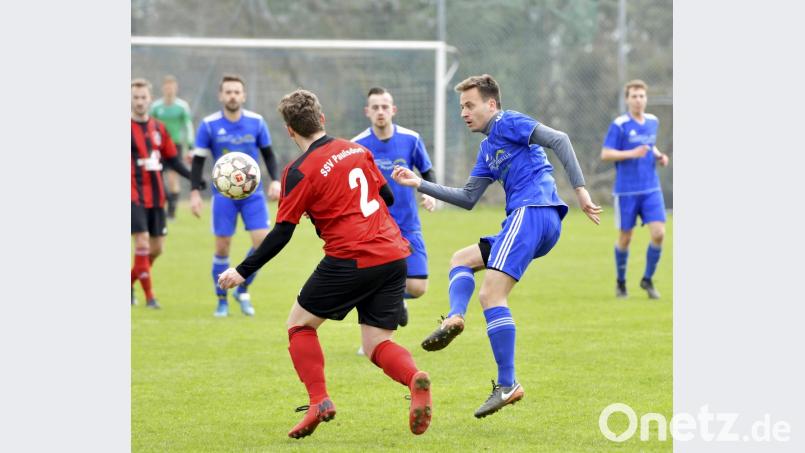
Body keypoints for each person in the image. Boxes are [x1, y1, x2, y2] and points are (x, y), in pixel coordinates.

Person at [217, 89, 433, 439]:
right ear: (322, 119)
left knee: (299, 325)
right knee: (377, 343)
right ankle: (413, 379)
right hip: (394, 255)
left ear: (290, 130)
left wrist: (241, 270)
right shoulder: (358, 149)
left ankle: (319, 400)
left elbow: (281, 233)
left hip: (350, 257)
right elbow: (388, 197)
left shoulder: (298, 172)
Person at [392, 74, 602, 418]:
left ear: (491, 105)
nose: (464, 112)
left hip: (533, 211)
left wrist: (580, 191)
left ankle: (508, 384)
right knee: (461, 259)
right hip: (530, 220)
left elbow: (560, 139)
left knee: (491, 295)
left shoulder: (508, 121)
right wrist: (420, 183)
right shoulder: (488, 149)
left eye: (470, 105)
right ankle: (456, 318)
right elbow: (468, 197)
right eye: (461, 107)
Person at [189, 74, 281, 317]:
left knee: (263, 243)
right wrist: (195, 192)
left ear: (243, 96)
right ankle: (222, 301)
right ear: (221, 95)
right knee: (222, 246)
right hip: (223, 196)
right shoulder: (209, 125)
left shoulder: (257, 122)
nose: (232, 96)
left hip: (254, 194)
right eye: (228, 92)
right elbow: (197, 161)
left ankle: (242, 287)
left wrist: (276, 181)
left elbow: (269, 155)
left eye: (236, 92)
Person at [351, 87, 437, 339]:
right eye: (375, 107)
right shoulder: (357, 145)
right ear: (367, 112)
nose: (380, 112)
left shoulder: (411, 139)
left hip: (408, 225)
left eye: (384, 107)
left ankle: (397, 297)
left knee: (418, 287)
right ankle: (371, 338)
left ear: (393, 110)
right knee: (371, 280)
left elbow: (427, 172)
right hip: (374, 228)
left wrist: (429, 193)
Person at [600, 79, 670, 299]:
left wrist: (658, 155)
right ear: (627, 99)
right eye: (634, 96)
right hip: (626, 191)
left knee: (659, 234)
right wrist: (632, 154)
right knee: (625, 238)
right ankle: (621, 283)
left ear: (646, 99)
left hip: (651, 189)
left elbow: (649, 145)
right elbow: (606, 154)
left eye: (641, 96)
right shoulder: (620, 124)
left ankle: (647, 280)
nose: (638, 100)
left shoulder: (653, 122)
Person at [131, 78, 195, 308]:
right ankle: (150, 297)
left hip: (157, 196)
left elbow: (172, 160)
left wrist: (194, 178)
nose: (139, 101)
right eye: (135, 97)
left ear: (150, 99)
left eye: (143, 97)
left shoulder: (158, 128)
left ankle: (129, 282)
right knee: (142, 242)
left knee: (157, 249)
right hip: (132, 195)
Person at [150, 75, 195, 221]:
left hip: (174, 146)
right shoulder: (156, 107)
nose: (169, 89)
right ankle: (165, 201)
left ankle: (171, 213)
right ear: (163, 88)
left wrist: (190, 145)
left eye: (172, 87)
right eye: (167, 87)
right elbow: (148, 125)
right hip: (157, 146)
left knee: (172, 178)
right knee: (155, 178)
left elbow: (188, 126)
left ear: (176, 88)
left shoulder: (181, 107)